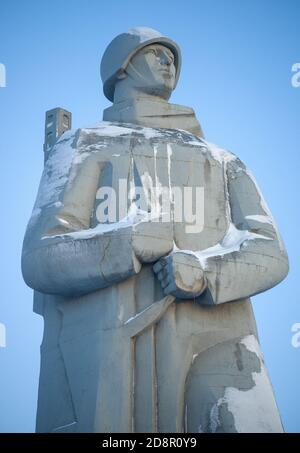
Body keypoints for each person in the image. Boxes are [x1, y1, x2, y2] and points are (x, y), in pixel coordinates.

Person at [22, 27, 289, 433]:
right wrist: (125, 245)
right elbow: (40, 257)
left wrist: (205, 272)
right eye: (155, 53)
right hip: (106, 358)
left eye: (173, 57)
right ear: (121, 68)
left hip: (217, 347)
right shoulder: (84, 144)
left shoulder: (220, 159)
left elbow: (271, 252)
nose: (169, 63)